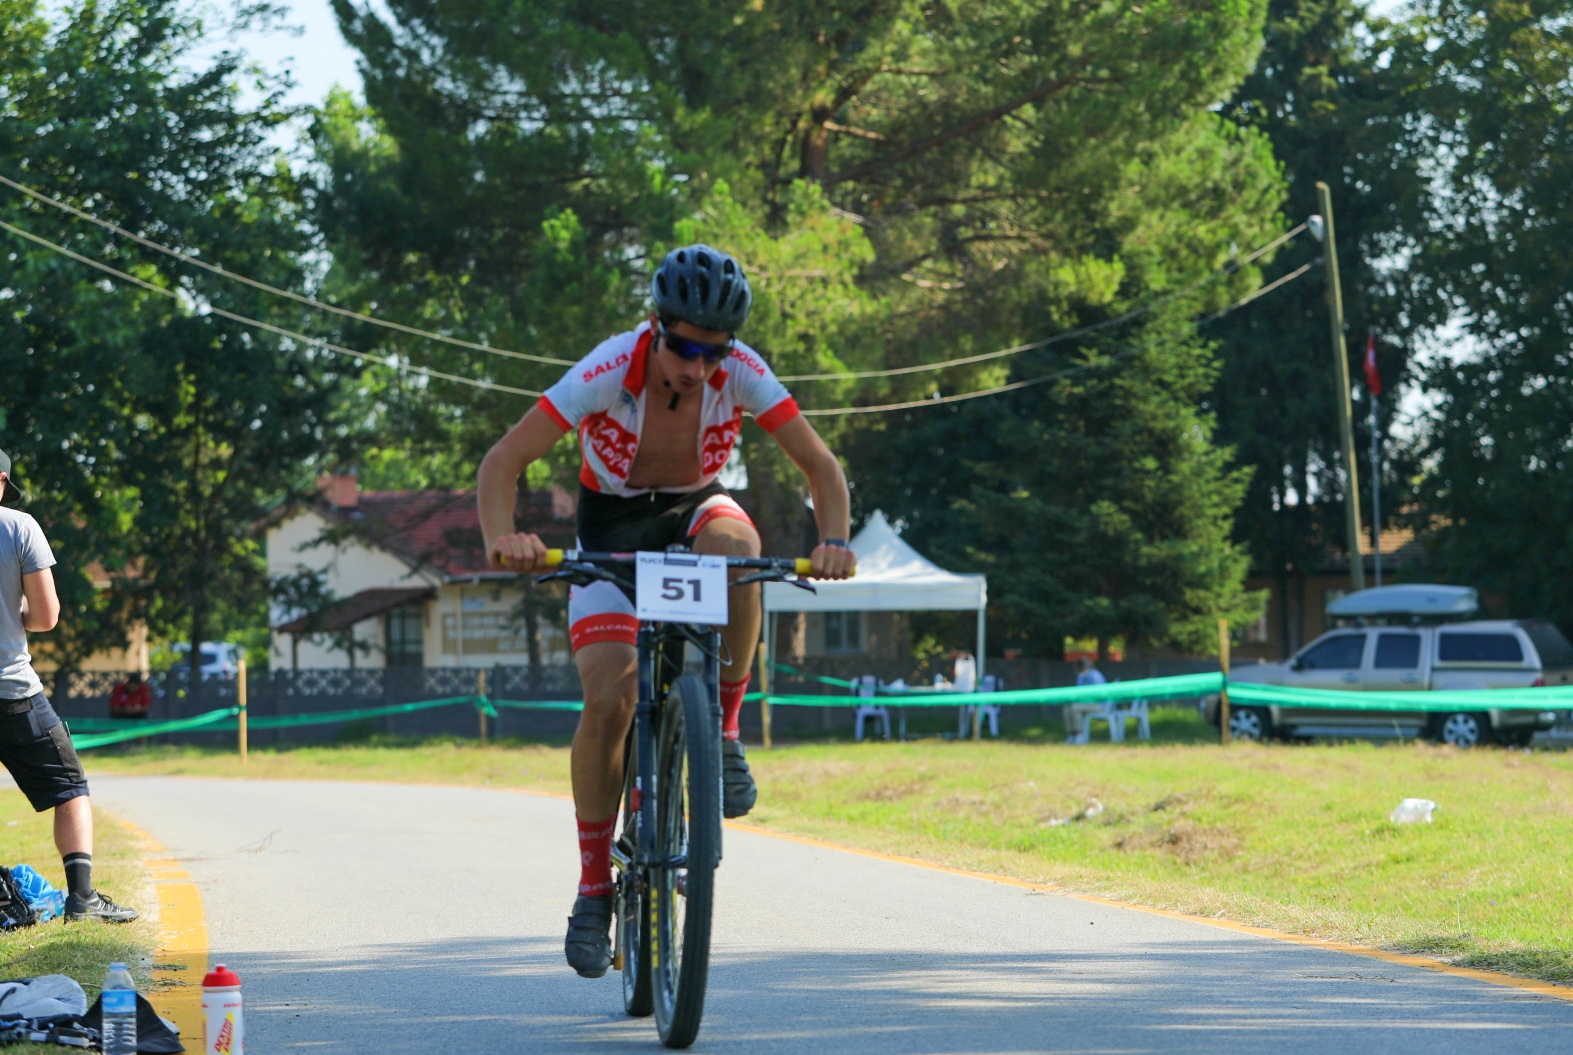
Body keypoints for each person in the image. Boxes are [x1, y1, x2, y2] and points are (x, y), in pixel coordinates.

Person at [477, 244, 856, 978]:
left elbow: (820, 466)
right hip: (610, 536)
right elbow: (502, 462)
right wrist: (504, 538)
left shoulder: (738, 371)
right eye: (684, 347)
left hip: (690, 516)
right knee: (610, 691)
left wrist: (833, 540)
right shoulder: (606, 369)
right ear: (656, 327)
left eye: (714, 352)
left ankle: (724, 726)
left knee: (740, 547)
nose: (698, 367)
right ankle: (592, 888)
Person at [0, 449, 137, 923]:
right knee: (70, 789)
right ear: (1, 479)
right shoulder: (18, 527)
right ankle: (81, 899)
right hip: (12, 692)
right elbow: (46, 616)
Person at [1065, 657, 1108, 745]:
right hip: (1086, 703)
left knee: (1074, 708)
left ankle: (1079, 735)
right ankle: (1071, 735)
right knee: (1067, 708)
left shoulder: (1095, 675)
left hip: (1100, 705)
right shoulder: (1081, 676)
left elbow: (1099, 693)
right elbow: (1078, 692)